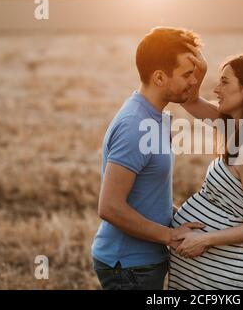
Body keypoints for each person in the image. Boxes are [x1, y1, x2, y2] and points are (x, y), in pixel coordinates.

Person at [91, 27, 205, 290]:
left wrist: (176, 218)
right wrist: (169, 235)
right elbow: (109, 207)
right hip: (129, 267)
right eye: (187, 74)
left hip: (142, 263)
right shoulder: (135, 124)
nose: (193, 81)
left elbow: (147, 192)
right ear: (159, 78)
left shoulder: (154, 116)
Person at [168, 49, 243, 290]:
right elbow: (191, 102)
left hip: (237, 273)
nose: (216, 90)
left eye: (224, 82)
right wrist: (200, 72)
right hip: (222, 273)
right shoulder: (234, 127)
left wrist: (205, 239)